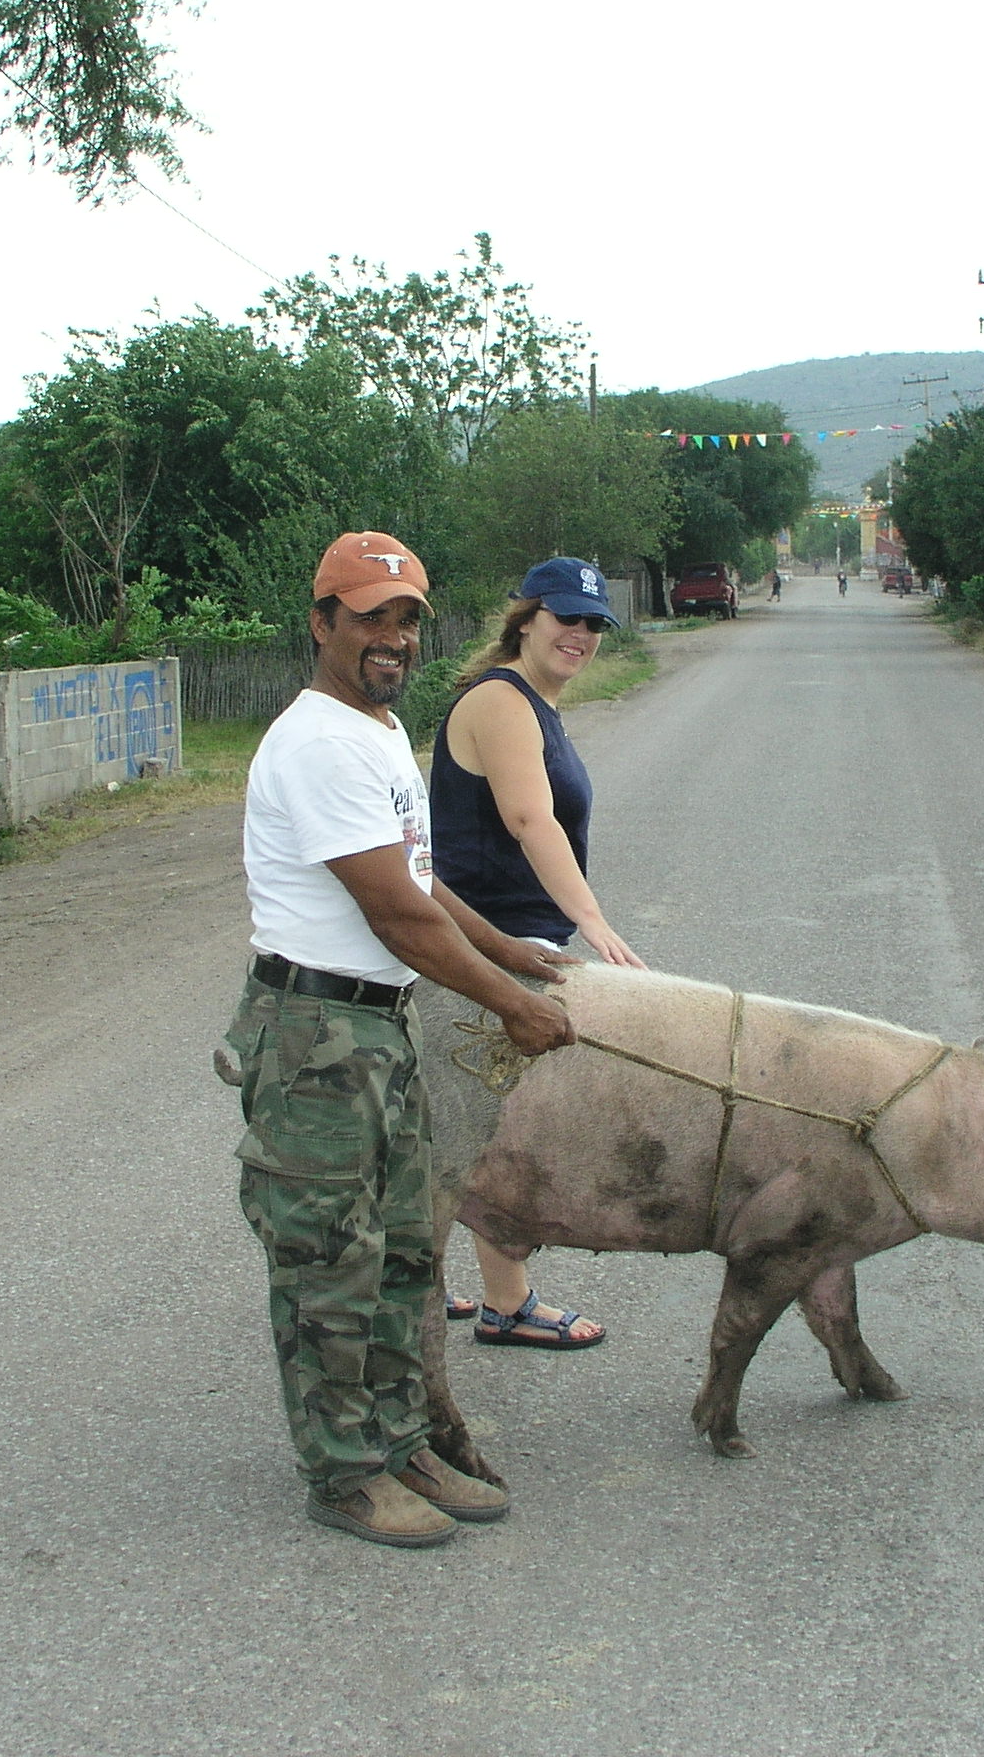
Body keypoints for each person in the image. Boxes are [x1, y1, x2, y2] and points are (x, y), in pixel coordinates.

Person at [225, 530, 574, 1550]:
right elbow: (396, 915)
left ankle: (401, 1442)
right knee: (330, 1265)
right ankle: (343, 1472)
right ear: (321, 623)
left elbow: (419, 881)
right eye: (369, 616)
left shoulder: (376, 729)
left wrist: (505, 946)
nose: (392, 636)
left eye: (408, 619)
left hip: (374, 1024)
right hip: (314, 1034)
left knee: (406, 1252)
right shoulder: (320, 743)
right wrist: (511, 1006)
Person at [430, 557, 643, 1351]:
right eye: (564, 617)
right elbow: (529, 818)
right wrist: (593, 920)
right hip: (490, 943)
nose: (579, 634)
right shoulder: (501, 700)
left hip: (515, 938)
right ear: (526, 618)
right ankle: (506, 1304)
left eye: (593, 623)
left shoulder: (535, 704)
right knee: (499, 1131)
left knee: (461, 1123)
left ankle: (417, 1280)